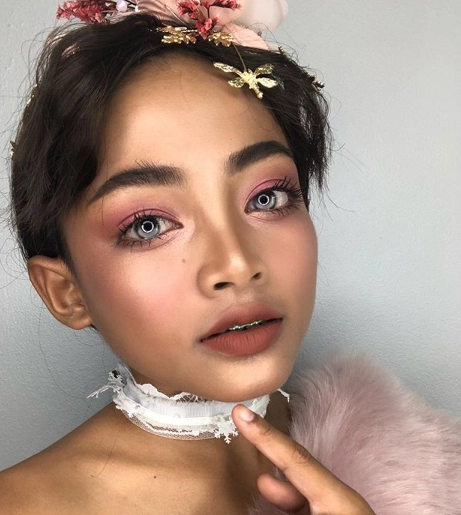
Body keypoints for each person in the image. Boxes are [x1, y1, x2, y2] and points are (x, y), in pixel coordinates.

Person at [1, 2, 460, 514]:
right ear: (66, 292)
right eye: (148, 225)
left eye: (266, 197)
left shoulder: (416, 455)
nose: (237, 265)